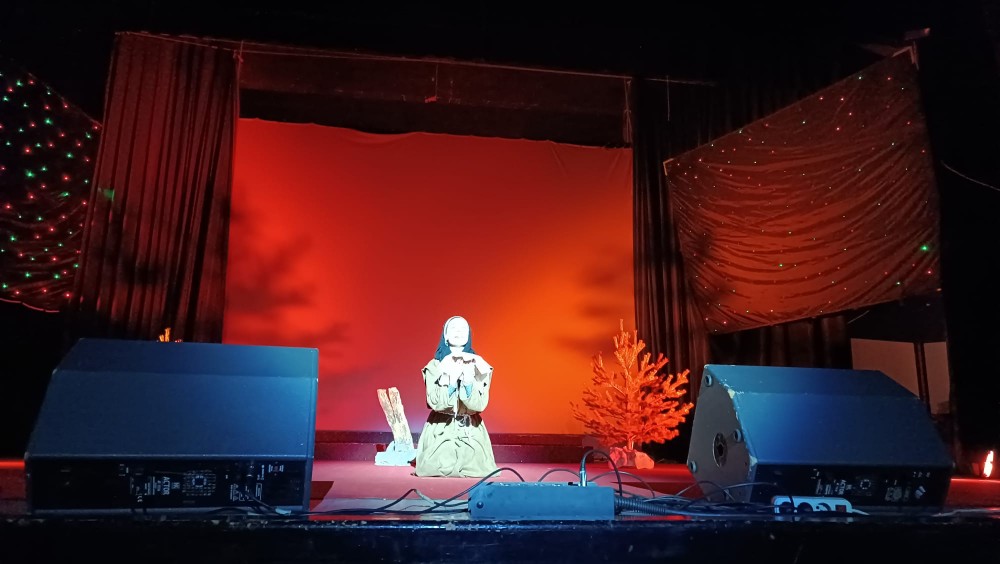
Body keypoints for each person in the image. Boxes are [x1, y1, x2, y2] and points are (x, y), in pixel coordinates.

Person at [414, 315, 498, 477]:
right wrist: (451, 382)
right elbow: (435, 402)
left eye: (463, 328)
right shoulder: (435, 366)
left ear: (468, 334)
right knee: (436, 465)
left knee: (477, 467)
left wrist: (468, 382)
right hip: (441, 428)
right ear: (445, 335)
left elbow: (480, 404)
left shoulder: (479, 365)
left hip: (470, 430)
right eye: (453, 328)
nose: (458, 332)